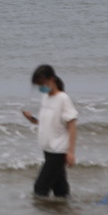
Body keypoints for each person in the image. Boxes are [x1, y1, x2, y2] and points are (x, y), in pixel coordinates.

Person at [21, 64, 77, 197]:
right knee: (60, 187)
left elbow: (72, 124)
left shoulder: (63, 98)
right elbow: (47, 123)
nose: (41, 87)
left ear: (51, 79)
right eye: (39, 85)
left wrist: (71, 151)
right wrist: (32, 120)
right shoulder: (46, 97)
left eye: (42, 83)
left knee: (40, 187)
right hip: (48, 150)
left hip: (58, 151)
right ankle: (63, 213)